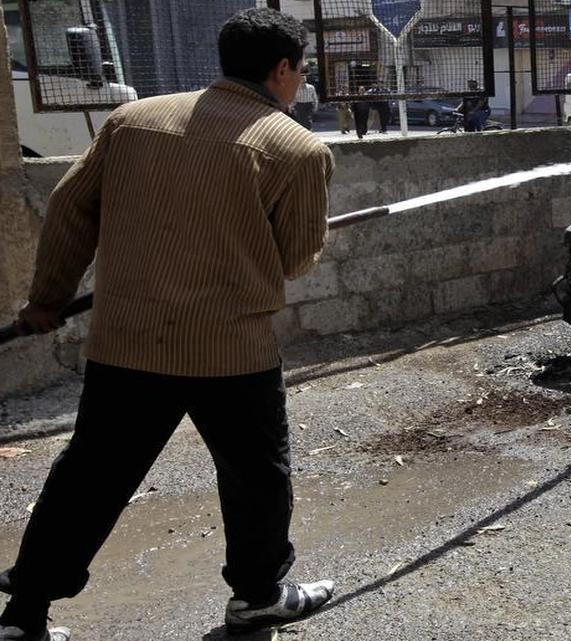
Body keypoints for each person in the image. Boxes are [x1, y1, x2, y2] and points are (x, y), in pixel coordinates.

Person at [0, 8, 336, 641]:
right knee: (256, 477)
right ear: (283, 68)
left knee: (90, 476)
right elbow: (293, 261)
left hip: (127, 343)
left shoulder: (132, 122)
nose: (300, 80)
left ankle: (24, 615)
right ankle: (259, 597)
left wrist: (48, 299)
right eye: (302, 70)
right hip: (230, 352)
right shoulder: (297, 149)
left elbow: (70, 209)